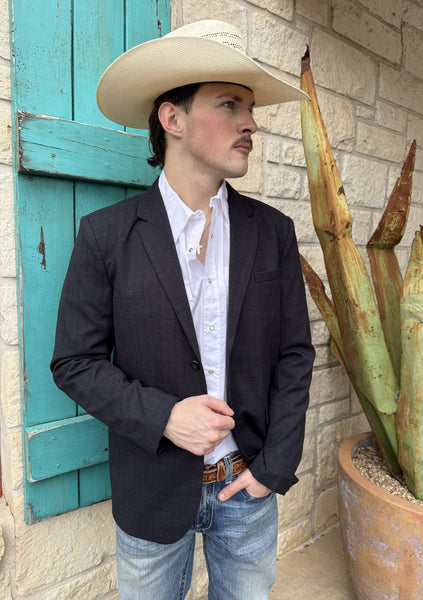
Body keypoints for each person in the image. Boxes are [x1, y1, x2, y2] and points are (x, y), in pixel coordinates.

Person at [51, 19, 315, 600]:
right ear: (172, 119)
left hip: (247, 490)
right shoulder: (106, 235)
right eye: (229, 105)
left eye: (250, 108)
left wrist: (273, 467)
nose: (251, 123)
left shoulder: (272, 232)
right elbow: (74, 363)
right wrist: (165, 416)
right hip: (151, 490)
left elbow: (295, 354)